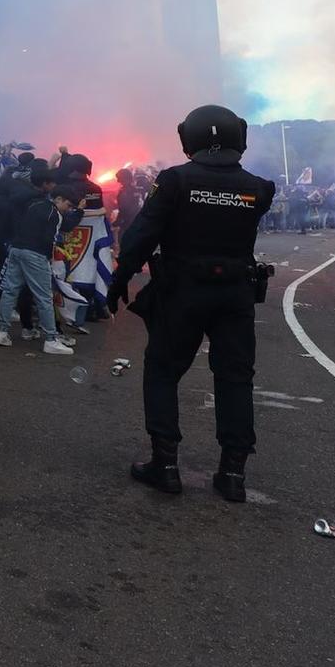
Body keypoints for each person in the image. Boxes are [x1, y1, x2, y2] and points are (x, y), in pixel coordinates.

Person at [109, 105, 276, 502]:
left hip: (182, 290)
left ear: (190, 139)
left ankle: (165, 465)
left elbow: (142, 235)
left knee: (163, 370)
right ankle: (233, 472)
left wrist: (121, 278)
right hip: (236, 293)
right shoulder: (259, 188)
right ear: (240, 137)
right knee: (235, 377)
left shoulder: (174, 182)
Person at [0, 163, 77, 355]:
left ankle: (1, 332)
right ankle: (51, 339)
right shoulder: (54, 214)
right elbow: (49, 241)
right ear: (58, 199)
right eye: (68, 205)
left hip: (16, 249)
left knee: (10, 291)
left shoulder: (34, 204)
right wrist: (48, 261)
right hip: (35, 254)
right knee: (44, 296)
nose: (68, 209)